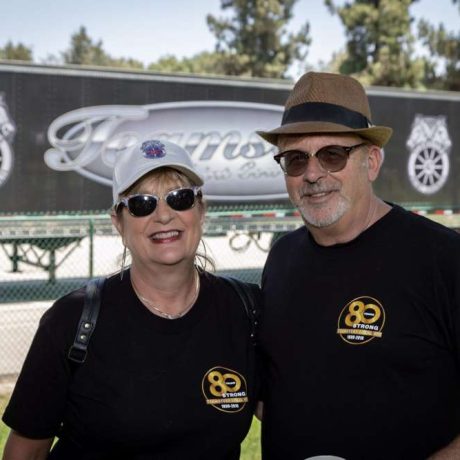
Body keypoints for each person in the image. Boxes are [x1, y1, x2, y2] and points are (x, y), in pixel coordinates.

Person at [2, 139, 259, 460]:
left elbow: (296, 415)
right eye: (142, 203)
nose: (164, 216)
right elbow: (25, 453)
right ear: (118, 223)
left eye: (180, 199)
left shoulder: (247, 310)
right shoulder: (73, 320)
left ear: (201, 210)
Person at [256, 72, 460, 460]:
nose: (313, 174)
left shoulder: (443, 258)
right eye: (296, 159)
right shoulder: (281, 257)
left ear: (372, 161)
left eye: (333, 154)